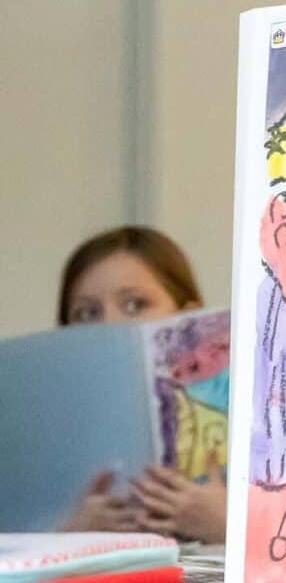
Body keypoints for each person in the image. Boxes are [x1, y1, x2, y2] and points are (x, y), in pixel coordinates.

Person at [56, 226, 227, 545]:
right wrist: (69, 535)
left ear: (190, 318)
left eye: (135, 304)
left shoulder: (253, 409)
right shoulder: (47, 431)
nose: (110, 323)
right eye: (87, 312)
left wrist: (226, 525)